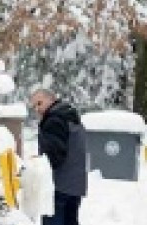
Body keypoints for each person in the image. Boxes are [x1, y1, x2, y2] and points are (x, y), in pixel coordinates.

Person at [29, 88, 88, 225]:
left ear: (51, 99)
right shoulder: (71, 117)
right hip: (75, 186)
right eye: (34, 106)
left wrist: (37, 164)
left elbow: (54, 157)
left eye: (39, 103)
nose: (37, 109)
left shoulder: (54, 120)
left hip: (58, 187)